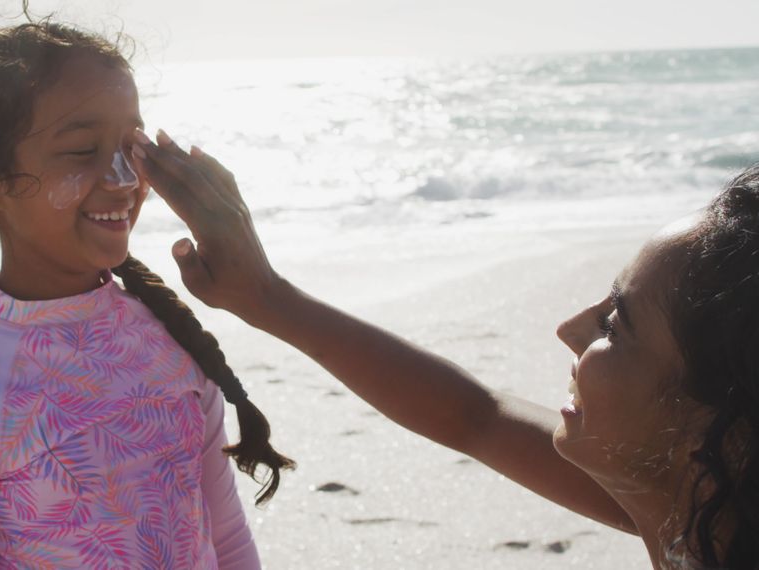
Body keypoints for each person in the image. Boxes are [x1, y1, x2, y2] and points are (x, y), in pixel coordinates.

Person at [131, 131, 759, 569]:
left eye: (615, 324)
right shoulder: (697, 500)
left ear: (725, 419)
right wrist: (265, 297)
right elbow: (472, 416)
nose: (570, 328)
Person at [0, 22, 293, 570]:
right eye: (83, 150)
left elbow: (225, 537)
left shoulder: (175, 342)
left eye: (131, 146)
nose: (125, 178)